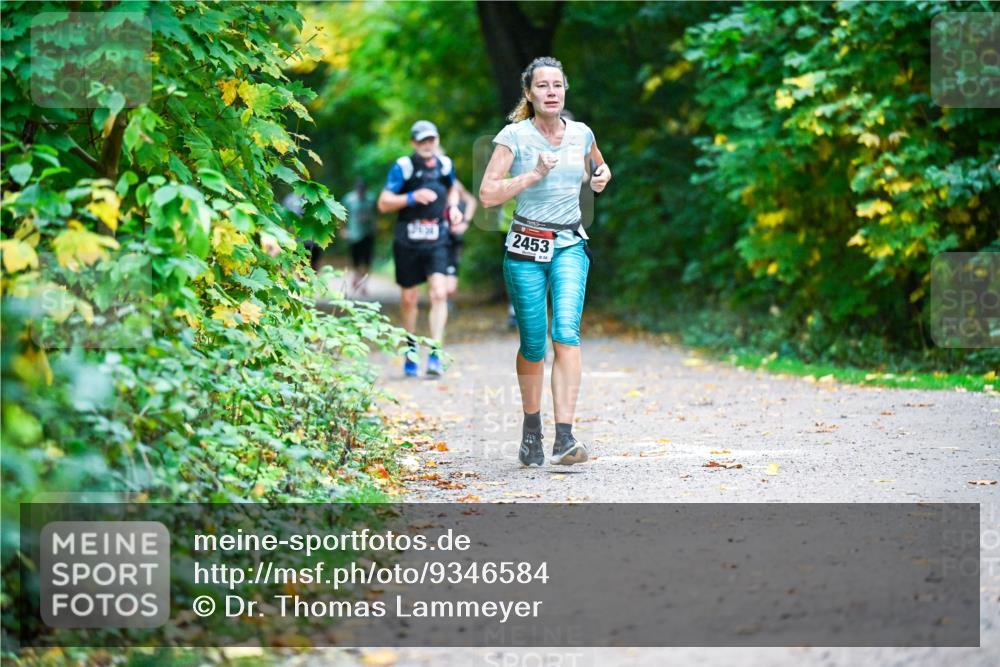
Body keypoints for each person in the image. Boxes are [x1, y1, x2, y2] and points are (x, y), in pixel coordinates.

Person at [479, 56, 611, 467]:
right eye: (542, 86)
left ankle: (565, 438)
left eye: (557, 85)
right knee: (533, 345)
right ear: (529, 94)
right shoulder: (513, 137)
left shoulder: (582, 133)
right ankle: (532, 427)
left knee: (566, 334)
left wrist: (603, 175)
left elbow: (599, 165)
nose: (551, 92)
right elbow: (487, 195)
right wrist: (532, 175)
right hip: (525, 246)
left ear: (564, 90)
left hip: (570, 242)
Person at [377, 120, 467, 377]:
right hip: (408, 239)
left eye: (432, 140)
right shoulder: (404, 167)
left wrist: (452, 208)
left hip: (437, 237)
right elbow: (383, 203)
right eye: (422, 141)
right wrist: (411, 197)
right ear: (414, 143)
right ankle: (411, 348)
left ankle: (436, 350)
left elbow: (453, 192)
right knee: (409, 299)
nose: (428, 145)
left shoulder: (445, 165)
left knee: (439, 293)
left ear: (437, 140)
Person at [342, 177, 377, 296]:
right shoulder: (349, 199)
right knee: (355, 260)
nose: (361, 193)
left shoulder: (371, 199)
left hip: (368, 234)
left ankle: (364, 285)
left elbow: (376, 213)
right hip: (353, 234)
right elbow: (342, 214)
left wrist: (375, 226)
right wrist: (343, 229)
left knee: (367, 261)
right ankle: (356, 278)